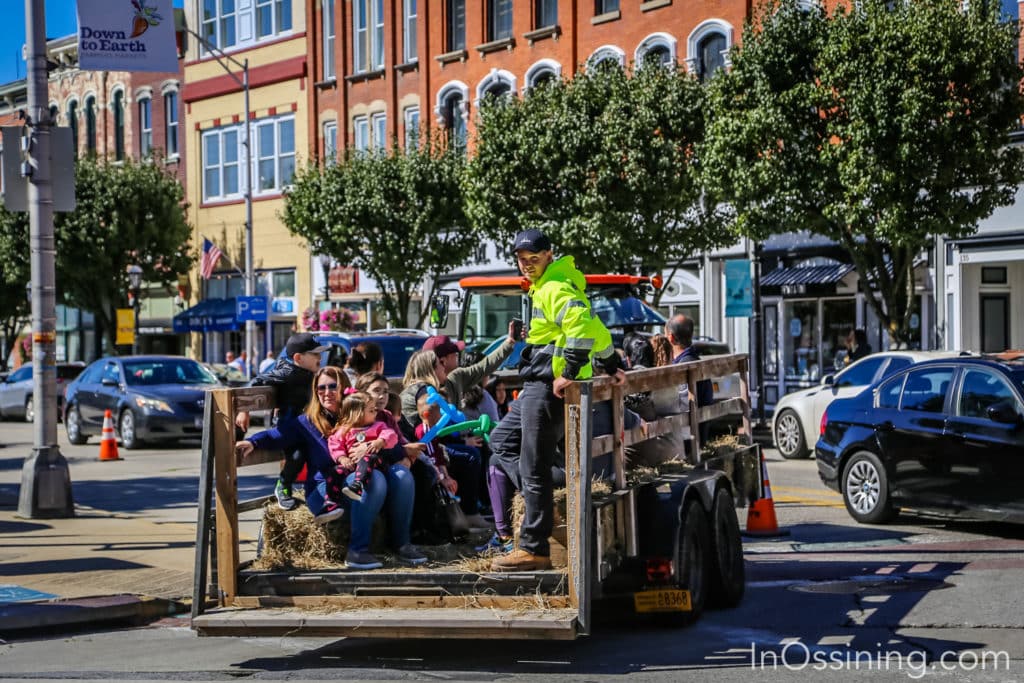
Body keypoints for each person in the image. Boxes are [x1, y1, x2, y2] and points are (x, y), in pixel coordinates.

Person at [488, 229, 626, 572]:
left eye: (533, 259)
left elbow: (580, 325)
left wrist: (572, 370)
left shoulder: (553, 287)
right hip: (538, 383)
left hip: (548, 385)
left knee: (533, 465)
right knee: (502, 441)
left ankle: (534, 548)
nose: (526, 265)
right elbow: (595, 329)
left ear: (549, 255)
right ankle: (546, 499)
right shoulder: (553, 285)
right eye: (521, 260)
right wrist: (611, 364)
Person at [235, 366, 426, 569]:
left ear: (344, 387)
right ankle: (357, 551)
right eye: (321, 388)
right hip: (327, 489)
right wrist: (253, 442)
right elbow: (278, 434)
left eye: (332, 386)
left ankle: (401, 544)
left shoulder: (364, 413)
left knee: (402, 475)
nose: (326, 392)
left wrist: (377, 448)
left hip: (360, 480)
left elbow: (392, 446)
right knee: (375, 480)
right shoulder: (308, 422)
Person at [235, 333, 327, 511]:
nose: (320, 358)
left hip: (305, 425)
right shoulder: (287, 372)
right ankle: (283, 487)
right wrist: (244, 410)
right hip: (288, 424)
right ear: (298, 358)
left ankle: (316, 492)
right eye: (315, 354)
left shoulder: (310, 373)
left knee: (315, 455)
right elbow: (255, 382)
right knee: (297, 456)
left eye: (320, 354)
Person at [400, 329, 518, 429]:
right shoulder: (422, 392)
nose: (458, 356)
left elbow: (483, 367)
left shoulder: (456, 378)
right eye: (455, 354)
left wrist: (509, 343)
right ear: (442, 361)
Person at [327, 390, 400, 502]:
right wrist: (342, 458)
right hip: (352, 465)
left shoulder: (379, 426)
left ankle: (358, 486)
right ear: (357, 414)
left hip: (376, 463)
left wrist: (381, 441)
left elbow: (392, 435)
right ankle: (331, 501)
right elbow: (334, 444)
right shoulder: (344, 430)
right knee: (336, 470)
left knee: (368, 458)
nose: (375, 412)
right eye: (371, 410)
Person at [666, 314, 713, 409]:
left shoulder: (681, 366)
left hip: (690, 421)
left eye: (665, 335)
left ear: (671, 337)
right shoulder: (696, 360)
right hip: (703, 419)